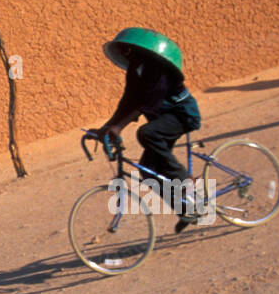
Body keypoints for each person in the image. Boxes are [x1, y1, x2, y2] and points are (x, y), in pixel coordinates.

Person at [85, 27, 203, 233]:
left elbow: (148, 102)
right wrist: (107, 128)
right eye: (124, 50)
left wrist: (118, 127)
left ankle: (185, 179)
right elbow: (128, 102)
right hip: (162, 120)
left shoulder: (158, 70)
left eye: (129, 49)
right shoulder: (135, 69)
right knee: (147, 170)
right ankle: (187, 209)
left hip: (183, 116)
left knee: (147, 133)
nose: (126, 53)